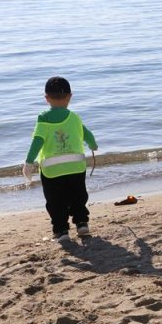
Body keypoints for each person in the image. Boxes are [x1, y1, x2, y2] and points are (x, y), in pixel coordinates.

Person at [22, 76, 98, 242]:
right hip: (76, 167)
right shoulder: (75, 117)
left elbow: (38, 141)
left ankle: (61, 230)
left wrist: (29, 162)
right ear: (70, 96)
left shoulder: (44, 118)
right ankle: (81, 222)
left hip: (52, 170)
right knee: (78, 196)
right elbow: (88, 136)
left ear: (46, 98)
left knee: (55, 201)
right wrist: (93, 146)